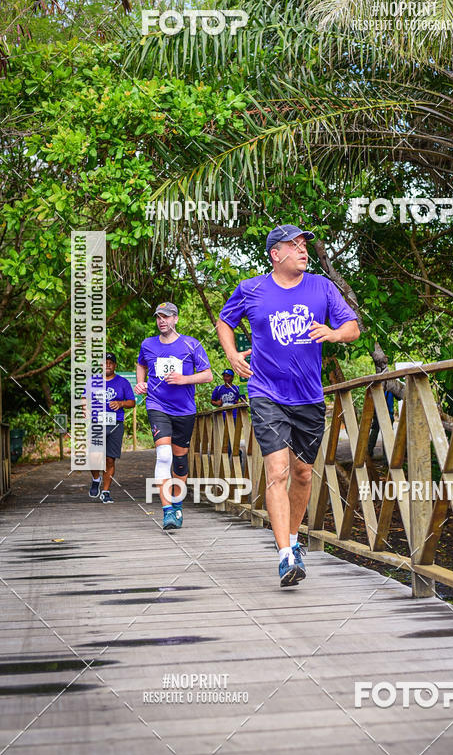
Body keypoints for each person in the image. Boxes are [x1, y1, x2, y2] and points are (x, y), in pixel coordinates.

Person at [216, 224, 360, 587]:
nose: (302, 250)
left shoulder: (321, 287)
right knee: (277, 471)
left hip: (309, 397)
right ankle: (284, 556)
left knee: (302, 474)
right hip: (266, 393)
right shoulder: (251, 290)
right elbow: (224, 321)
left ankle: (294, 541)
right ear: (274, 254)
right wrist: (232, 355)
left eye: (304, 245)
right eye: (293, 245)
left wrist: (333, 333)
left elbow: (353, 328)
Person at [135, 302, 212, 530]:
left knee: (179, 461)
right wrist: (141, 382)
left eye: (167, 317)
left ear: (176, 319)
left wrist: (184, 379)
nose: (162, 321)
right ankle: (167, 511)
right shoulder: (148, 345)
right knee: (164, 456)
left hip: (184, 410)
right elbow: (141, 364)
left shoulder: (191, 344)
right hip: (157, 405)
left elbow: (207, 375)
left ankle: (177, 503)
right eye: (159, 317)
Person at [88, 353, 135, 503]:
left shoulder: (123, 382)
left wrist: (121, 404)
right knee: (94, 457)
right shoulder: (92, 381)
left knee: (109, 459)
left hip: (115, 423)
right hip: (96, 423)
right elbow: (84, 399)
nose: (107, 365)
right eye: (104, 362)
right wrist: (85, 410)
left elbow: (132, 402)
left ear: (115, 365)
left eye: (110, 362)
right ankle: (96, 479)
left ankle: (106, 491)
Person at [367, 386, 396, 463]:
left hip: (378, 414)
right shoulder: (392, 386)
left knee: (374, 432)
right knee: (386, 436)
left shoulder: (375, 386)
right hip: (388, 415)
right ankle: (386, 459)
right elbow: (399, 397)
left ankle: (368, 454)